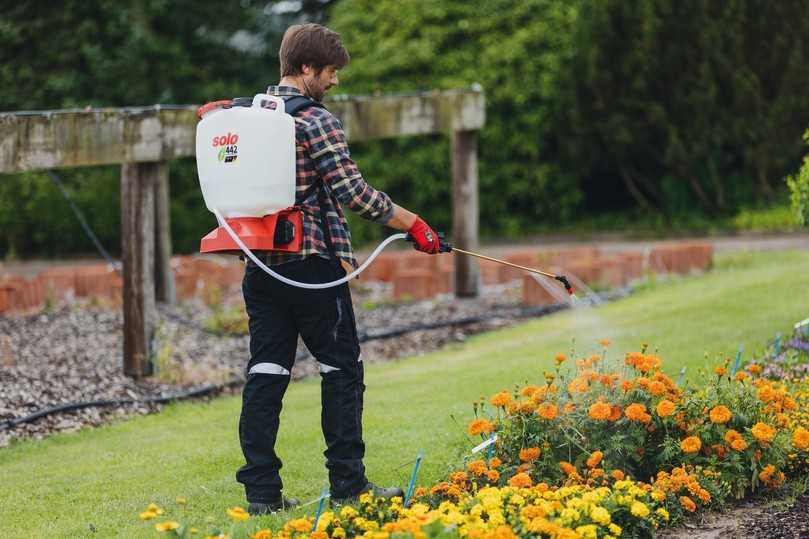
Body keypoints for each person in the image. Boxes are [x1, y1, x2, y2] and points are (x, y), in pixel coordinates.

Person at [236, 23, 444, 515]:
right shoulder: (315, 121)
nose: (335, 82)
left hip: (261, 267)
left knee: (266, 373)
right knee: (342, 371)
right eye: (329, 72)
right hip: (313, 268)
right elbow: (354, 194)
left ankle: (262, 494)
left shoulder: (246, 119)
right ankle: (350, 486)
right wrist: (413, 223)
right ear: (305, 68)